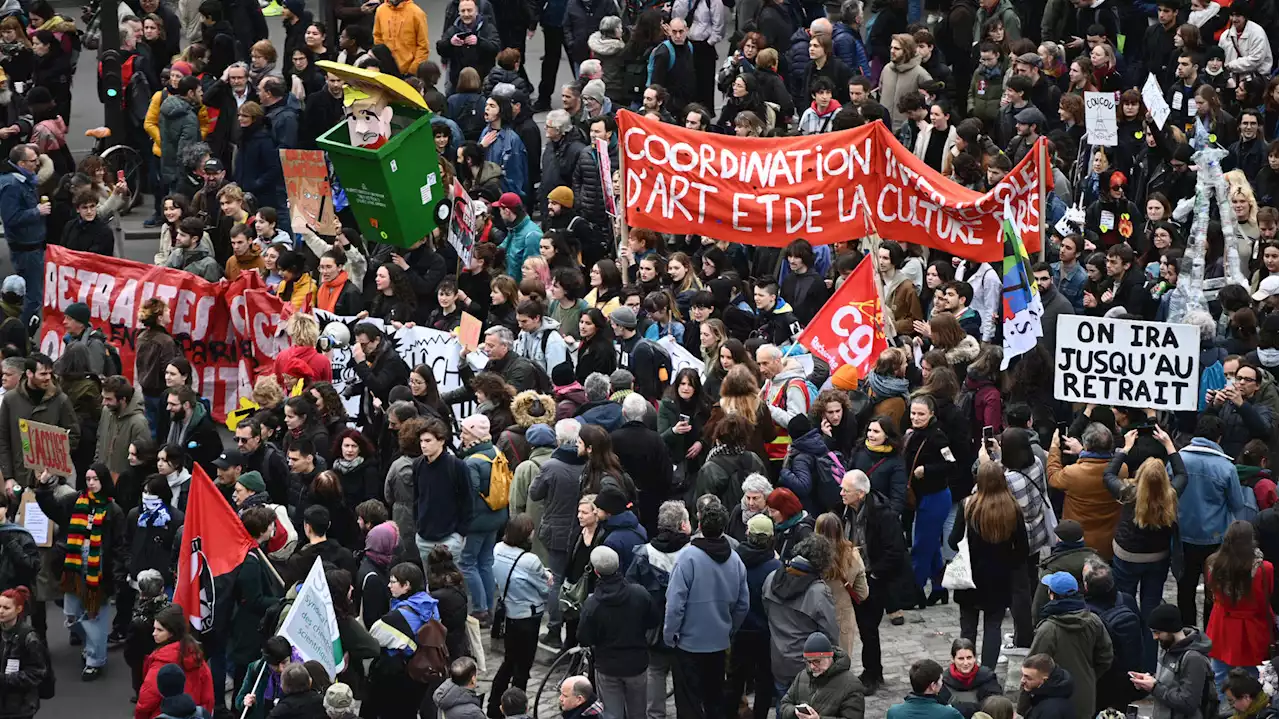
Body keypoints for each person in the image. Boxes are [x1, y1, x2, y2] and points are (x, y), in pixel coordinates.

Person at [34, 463, 126, 680]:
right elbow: (51, 508)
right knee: (71, 614)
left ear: (103, 481)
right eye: (88, 479)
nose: (91, 483)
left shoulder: (114, 510)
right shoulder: (75, 501)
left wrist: (118, 574)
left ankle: (95, 659)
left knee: (95, 616)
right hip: (74, 567)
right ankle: (92, 644)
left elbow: (119, 546)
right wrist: (44, 484)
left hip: (99, 570)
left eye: (95, 479)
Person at [664, 502, 748, 719]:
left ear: (699, 523)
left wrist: (670, 634)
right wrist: (729, 630)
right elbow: (743, 604)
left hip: (688, 643)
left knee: (689, 701)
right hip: (719, 642)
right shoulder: (735, 559)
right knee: (715, 699)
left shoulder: (687, 558)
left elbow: (675, 603)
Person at [949, 461, 1029, 669]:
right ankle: (987, 672)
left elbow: (952, 540)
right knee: (993, 627)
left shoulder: (968, 506)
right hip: (1000, 578)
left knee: (968, 628)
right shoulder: (1012, 509)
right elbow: (1022, 549)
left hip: (970, 576)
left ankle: (964, 668)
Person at [1177, 415, 1245, 627]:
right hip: (1214, 540)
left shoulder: (1178, 459)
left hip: (1183, 536)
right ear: (1219, 438)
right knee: (1213, 591)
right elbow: (1237, 504)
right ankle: (1210, 630)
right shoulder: (1226, 467)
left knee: (1185, 588)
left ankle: (1188, 630)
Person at [578, 545, 655, 719]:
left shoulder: (592, 605)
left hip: (607, 666)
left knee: (611, 713)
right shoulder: (640, 594)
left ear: (596, 572)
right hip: (636, 664)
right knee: (638, 712)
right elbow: (653, 621)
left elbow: (584, 637)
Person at [763, 534, 841, 702]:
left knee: (783, 705)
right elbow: (831, 634)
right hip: (809, 664)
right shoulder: (818, 592)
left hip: (778, 660)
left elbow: (767, 612)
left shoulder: (771, 579)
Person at [1029, 572, 1114, 719]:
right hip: (1085, 696)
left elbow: (1032, 670)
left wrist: (1023, 708)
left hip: (1052, 703)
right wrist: (1090, 676)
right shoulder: (1094, 621)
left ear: (1052, 595)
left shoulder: (1048, 629)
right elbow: (1105, 657)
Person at [487, 514, 549, 716]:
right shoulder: (530, 560)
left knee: (508, 661)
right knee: (522, 667)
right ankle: (516, 710)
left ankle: (494, 705)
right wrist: (547, 578)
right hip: (528, 616)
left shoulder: (498, 549)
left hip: (510, 613)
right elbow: (544, 589)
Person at [1205, 520, 1272, 695]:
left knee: (1219, 675)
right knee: (1252, 677)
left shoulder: (1213, 564)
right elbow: (1265, 598)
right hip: (1251, 628)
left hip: (1221, 626)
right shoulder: (1264, 569)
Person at [367, 562, 441, 719]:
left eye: (393, 582)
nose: (389, 585)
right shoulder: (430, 605)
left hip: (398, 674)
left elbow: (372, 637)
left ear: (406, 585)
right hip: (422, 671)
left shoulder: (397, 617)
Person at [1131, 603, 1215, 719]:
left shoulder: (1194, 659)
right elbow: (1170, 682)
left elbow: (1188, 703)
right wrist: (1148, 680)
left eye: (1158, 632)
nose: (1155, 637)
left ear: (1171, 629)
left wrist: (1154, 687)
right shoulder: (1166, 646)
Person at [0, 145, 50, 324]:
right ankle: (22, 335)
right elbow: (10, 218)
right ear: (21, 163)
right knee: (33, 298)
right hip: (26, 250)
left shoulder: (23, 180)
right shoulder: (11, 185)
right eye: (33, 161)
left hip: (31, 247)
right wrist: (37, 212)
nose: (37, 163)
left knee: (31, 294)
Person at [136, 604, 214, 719]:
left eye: (159, 630)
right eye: (154, 628)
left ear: (172, 633)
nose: (154, 633)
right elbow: (208, 696)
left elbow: (146, 701)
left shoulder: (162, 662)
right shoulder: (195, 654)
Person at [0, 585, 48, 719]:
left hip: (20, 706)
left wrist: (5, 679)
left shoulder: (28, 638)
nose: (1, 611)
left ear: (19, 609)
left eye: (6, 608)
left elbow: (37, 673)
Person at [938, 639, 1003, 718]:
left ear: (974, 658)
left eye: (969, 658)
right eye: (961, 659)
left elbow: (995, 706)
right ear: (952, 659)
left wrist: (961, 708)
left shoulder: (987, 677)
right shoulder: (943, 681)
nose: (966, 663)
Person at [886, 659, 963, 719]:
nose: (942, 683)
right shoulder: (950, 714)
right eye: (940, 680)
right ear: (933, 685)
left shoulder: (893, 713)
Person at [1017, 654, 1076, 719]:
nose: (1022, 680)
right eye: (1022, 675)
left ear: (1044, 680)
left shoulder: (1051, 710)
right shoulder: (1046, 696)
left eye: (1028, 678)